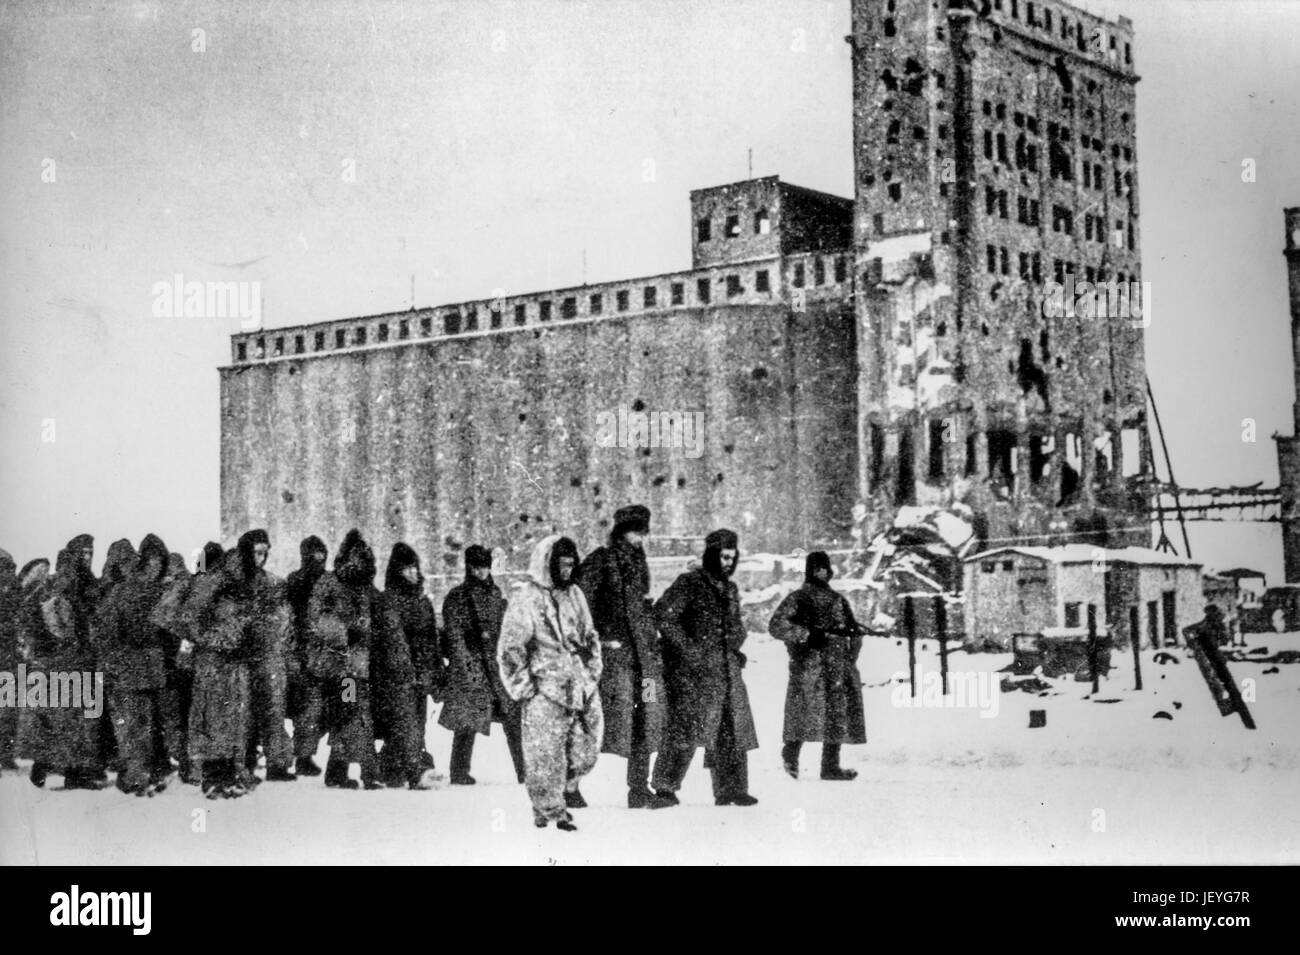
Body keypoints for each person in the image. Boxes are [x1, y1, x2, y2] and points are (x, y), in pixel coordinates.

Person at [497, 535, 603, 831]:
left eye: (571, 564)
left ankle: (559, 795)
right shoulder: (527, 597)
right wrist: (525, 688)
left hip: (580, 685)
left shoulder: (575, 594)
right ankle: (551, 810)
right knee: (544, 755)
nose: (567, 570)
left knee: (586, 749)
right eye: (562, 564)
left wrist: (591, 671)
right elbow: (511, 647)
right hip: (545, 688)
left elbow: (590, 636)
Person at [651, 528, 759, 808]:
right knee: (685, 728)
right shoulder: (690, 583)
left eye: (732, 558)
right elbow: (664, 616)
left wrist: (736, 643)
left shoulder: (730, 588)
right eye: (723, 557)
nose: (728, 563)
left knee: (731, 730)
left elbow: (735, 624)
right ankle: (664, 788)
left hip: (726, 670)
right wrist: (689, 652)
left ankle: (732, 790)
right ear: (711, 555)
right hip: (692, 673)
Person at [575, 504, 664, 808]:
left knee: (646, 720)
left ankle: (639, 789)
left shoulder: (640, 564)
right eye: (634, 532)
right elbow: (580, 605)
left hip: (645, 663)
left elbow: (643, 608)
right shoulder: (601, 561)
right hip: (615, 661)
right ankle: (569, 785)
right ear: (620, 532)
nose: (639, 539)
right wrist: (600, 638)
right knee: (598, 724)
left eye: (642, 533)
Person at [769, 551, 867, 781]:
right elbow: (776, 625)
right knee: (804, 712)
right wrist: (806, 635)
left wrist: (850, 659)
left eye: (825, 568)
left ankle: (830, 766)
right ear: (810, 571)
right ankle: (791, 756)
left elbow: (854, 633)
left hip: (837, 665)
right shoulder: (798, 598)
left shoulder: (838, 600)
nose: (822, 573)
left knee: (836, 714)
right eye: (817, 568)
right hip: (809, 664)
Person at [439, 545, 524, 785]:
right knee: (467, 723)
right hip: (473, 665)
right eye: (476, 567)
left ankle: (524, 772)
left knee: (512, 719)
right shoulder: (458, 597)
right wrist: (466, 666)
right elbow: (454, 636)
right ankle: (459, 771)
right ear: (469, 567)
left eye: (485, 566)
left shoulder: (495, 594)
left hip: (495, 666)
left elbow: (505, 630)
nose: (481, 572)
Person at [98, 533, 173, 795]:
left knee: (133, 725)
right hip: (141, 665)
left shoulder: (123, 591)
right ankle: (140, 773)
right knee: (138, 724)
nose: (155, 568)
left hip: (135, 665)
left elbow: (104, 631)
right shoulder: (156, 591)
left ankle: (138, 775)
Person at [185, 537, 259, 799]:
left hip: (234, 665)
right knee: (213, 720)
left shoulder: (240, 589)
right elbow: (193, 623)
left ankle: (229, 774)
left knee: (233, 722)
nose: (240, 567)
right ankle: (213, 778)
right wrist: (219, 641)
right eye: (236, 562)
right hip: (214, 665)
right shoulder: (211, 584)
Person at [308, 529, 382, 790]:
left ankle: (338, 771)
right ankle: (368, 772)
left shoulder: (363, 589)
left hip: (356, 666)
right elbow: (315, 619)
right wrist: (345, 633)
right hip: (341, 668)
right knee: (354, 714)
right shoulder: (330, 584)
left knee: (348, 716)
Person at [37, 543, 109, 789]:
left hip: (85, 658)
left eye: (91, 553)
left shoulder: (88, 582)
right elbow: (54, 615)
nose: (88, 558)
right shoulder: (66, 582)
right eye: (84, 553)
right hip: (71, 658)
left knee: (84, 717)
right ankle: (71, 770)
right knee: (74, 717)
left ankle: (76, 769)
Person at [373, 543, 440, 790]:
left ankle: (389, 769)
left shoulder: (422, 601)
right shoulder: (389, 601)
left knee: (415, 723)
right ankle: (417, 771)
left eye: (415, 568)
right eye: (407, 569)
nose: (412, 573)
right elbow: (394, 640)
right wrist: (407, 670)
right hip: (397, 675)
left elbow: (431, 639)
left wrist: (434, 671)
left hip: (419, 673)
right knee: (406, 722)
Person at [241, 531, 295, 782]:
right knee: (246, 713)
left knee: (274, 712)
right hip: (244, 657)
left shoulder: (275, 583)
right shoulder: (236, 583)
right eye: (256, 552)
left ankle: (277, 763)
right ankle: (246, 762)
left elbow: (284, 620)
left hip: (270, 656)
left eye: (264, 552)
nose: (261, 558)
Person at [286, 535, 328, 776]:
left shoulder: (298, 580)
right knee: (310, 708)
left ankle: (302, 752)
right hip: (306, 656)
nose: (319, 559)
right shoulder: (297, 581)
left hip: (319, 655)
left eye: (321, 554)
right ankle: (302, 755)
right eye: (315, 554)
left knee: (320, 708)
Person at [0, 550, 20, 771]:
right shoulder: (13, 588)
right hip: (8, 655)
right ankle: (5, 754)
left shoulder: (12, 589)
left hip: (8, 655)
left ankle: (5, 753)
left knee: (8, 708)